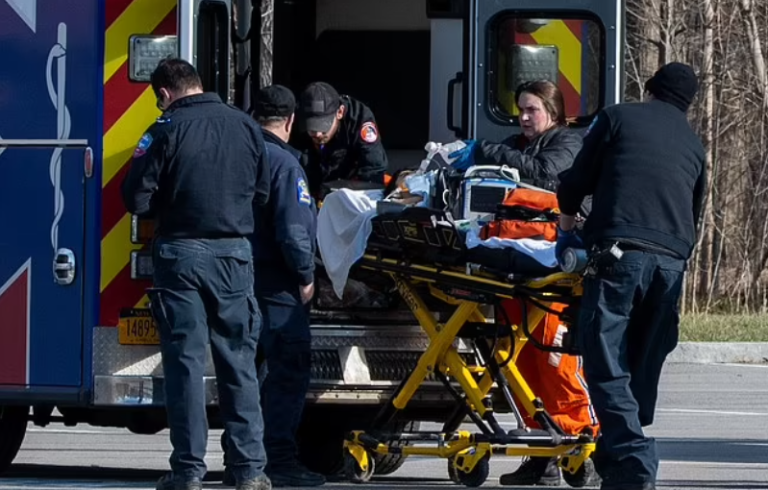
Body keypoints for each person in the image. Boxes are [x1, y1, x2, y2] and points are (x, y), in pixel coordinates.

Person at [121, 58, 271, 490]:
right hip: (234, 256)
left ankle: (188, 472)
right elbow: (262, 192)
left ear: (164, 93)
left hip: (180, 254)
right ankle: (249, 470)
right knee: (238, 361)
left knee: (185, 365)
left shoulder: (165, 129)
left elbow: (136, 199)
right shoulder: (246, 127)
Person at [555, 62, 706, 490]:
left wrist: (566, 228)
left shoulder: (617, 117)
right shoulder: (694, 145)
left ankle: (634, 463)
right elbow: (695, 210)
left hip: (620, 255)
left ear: (650, 89)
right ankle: (616, 458)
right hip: (672, 261)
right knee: (641, 362)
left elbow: (576, 180)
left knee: (605, 361)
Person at [449, 79, 599, 486]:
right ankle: (539, 450)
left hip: (552, 266)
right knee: (517, 359)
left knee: (554, 360)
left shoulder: (568, 143)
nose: (524, 117)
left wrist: (485, 151)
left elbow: (548, 177)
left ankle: (584, 443)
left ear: (553, 112)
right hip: (517, 264)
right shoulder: (517, 145)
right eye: (521, 109)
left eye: (532, 109)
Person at [221, 84, 326, 488]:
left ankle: (240, 459)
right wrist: (305, 275)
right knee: (287, 370)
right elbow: (294, 231)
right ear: (290, 120)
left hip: (234, 278)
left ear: (252, 115)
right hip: (277, 284)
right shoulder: (285, 164)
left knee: (243, 372)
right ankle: (278, 460)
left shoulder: (232, 157)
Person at [292, 81, 388, 198]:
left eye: (323, 126)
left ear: (340, 112)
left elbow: (374, 168)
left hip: (348, 184)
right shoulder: (296, 118)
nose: (317, 134)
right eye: (311, 127)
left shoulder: (359, 118)